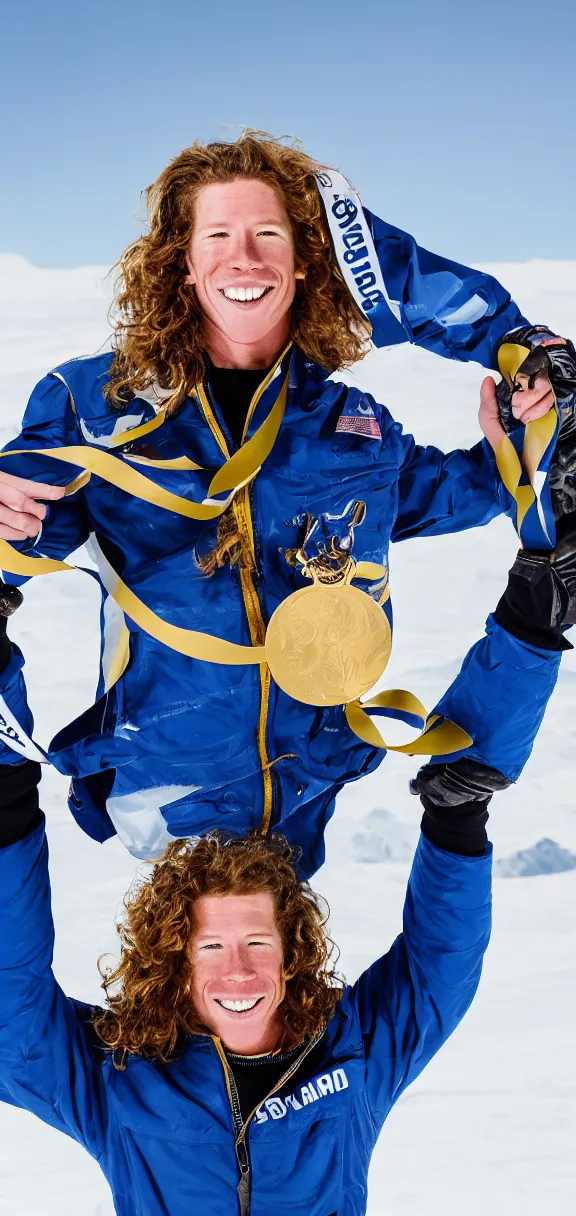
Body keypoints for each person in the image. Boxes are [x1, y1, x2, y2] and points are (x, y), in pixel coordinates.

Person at [0, 131, 575, 879]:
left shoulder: (353, 426)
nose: (246, 258)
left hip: (310, 784)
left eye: (269, 234)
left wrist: (526, 440)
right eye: (219, 236)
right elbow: (26, 533)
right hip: (165, 795)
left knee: (279, 985)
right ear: (184, 261)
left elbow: (445, 493)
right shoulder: (97, 405)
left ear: (306, 260)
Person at [0, 528, 575, 1216]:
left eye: (255, 943)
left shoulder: (346, 1051)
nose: (238, 973)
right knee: (468, 775)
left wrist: (6, 799)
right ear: (175, 961)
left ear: (291, 955)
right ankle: (541, 588)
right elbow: (439, 967)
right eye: (212, 945)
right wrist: (457, 821)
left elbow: (10, 1006)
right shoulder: (123, 1077)